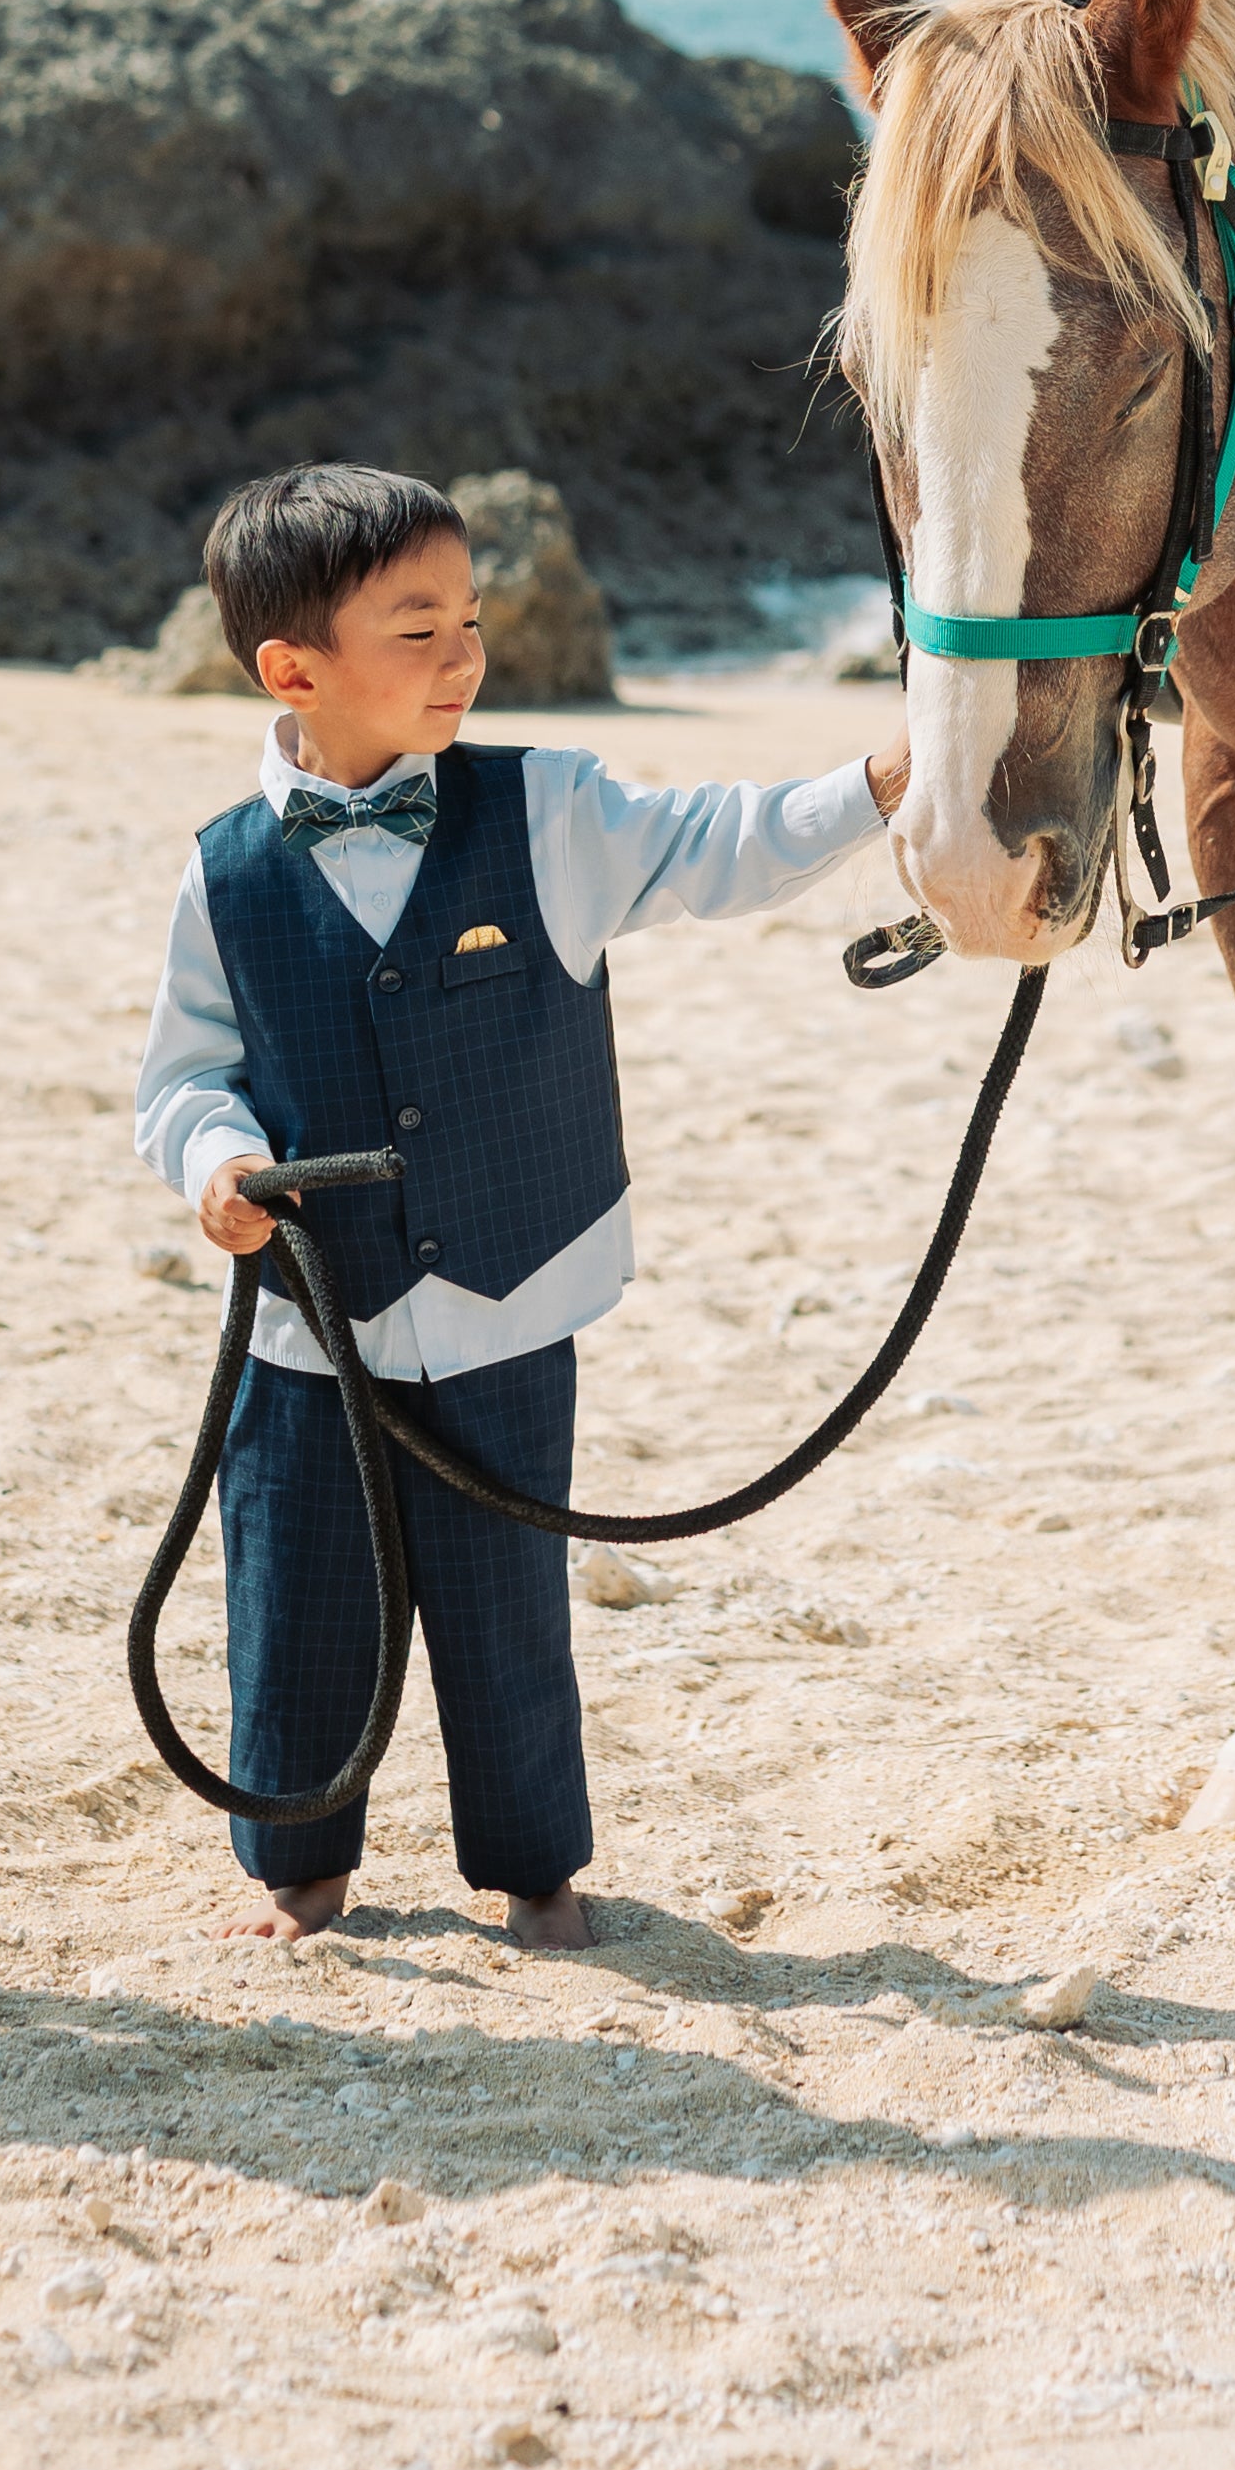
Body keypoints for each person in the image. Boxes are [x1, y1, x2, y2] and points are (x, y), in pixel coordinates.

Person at [133, 462, 909, 1952]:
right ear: (295, 668)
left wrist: (875, 783)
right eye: (418, 629)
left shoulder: (551, 808)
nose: (466, 655)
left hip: (507, 1307)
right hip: (314, 1338)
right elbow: (186, 1074)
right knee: (297, 1604)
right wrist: (215, 1166)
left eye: (471, 618)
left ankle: (537, 1875)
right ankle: (301, 1876)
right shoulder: (222, 874)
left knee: (507, 1618)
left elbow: (716, 844)